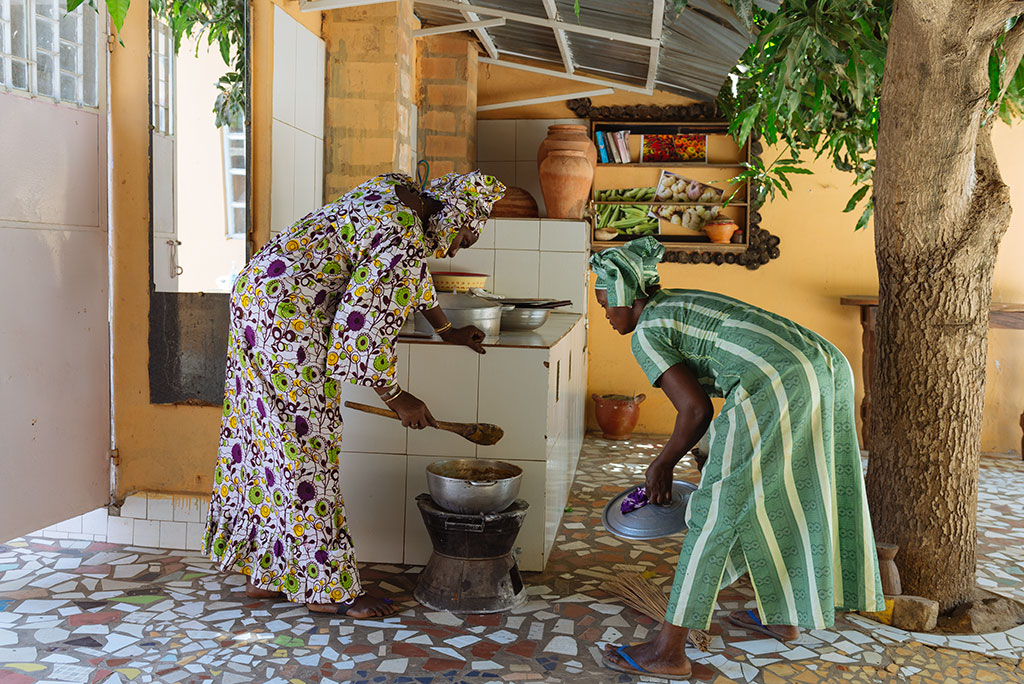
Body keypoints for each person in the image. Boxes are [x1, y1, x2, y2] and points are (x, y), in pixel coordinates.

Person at [202, 171, 505, 618]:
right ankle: (327, 592)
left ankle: (264, 572)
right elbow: (360, 327)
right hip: (289, 320)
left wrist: (446, 329)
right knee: (307, 451)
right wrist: (397, 397)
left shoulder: (396, 190)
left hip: (256, 298)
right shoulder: (405, 235)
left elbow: (404, 270)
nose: (455, 249)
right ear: (454, 213)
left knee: (263, 443)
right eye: (463, 237)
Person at [593, 237, 884, 677]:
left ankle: (668, 651)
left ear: (623, 295)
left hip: (779, 381)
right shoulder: (675, 303)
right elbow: (718, 385)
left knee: (716, 514)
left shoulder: (648, 331)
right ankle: (783, 616)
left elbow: (695, 410)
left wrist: (662, 463)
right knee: (788, 488)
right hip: (824, 366)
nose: (606, 315)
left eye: (605, 305)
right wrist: (709, 456)